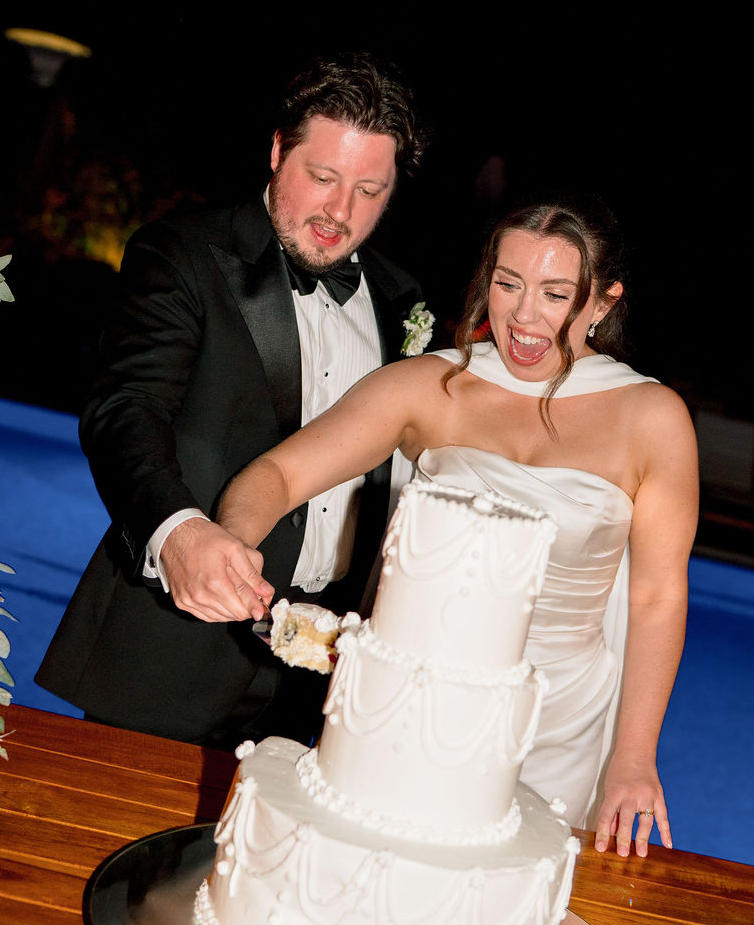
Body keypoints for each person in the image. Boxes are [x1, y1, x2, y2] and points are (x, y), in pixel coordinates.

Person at [213, 197, 699, 859]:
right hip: (411, 702)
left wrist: (635, 756)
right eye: (507, 284)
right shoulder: (430, 385)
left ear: (604, 304)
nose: (524, 316)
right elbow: (276, 477)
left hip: (559, 721)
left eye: (556, 294)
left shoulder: (653, 417)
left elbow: (656, 596)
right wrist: (231, 545)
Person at [35, 52, 425, 746]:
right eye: (323, 177)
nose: (341, 211)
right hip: (176, 649)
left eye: (369, 189)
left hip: (326, 683)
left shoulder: (405, 303)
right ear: (278, 153)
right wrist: (176, 531)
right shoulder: (182, 254)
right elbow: (127, 409)